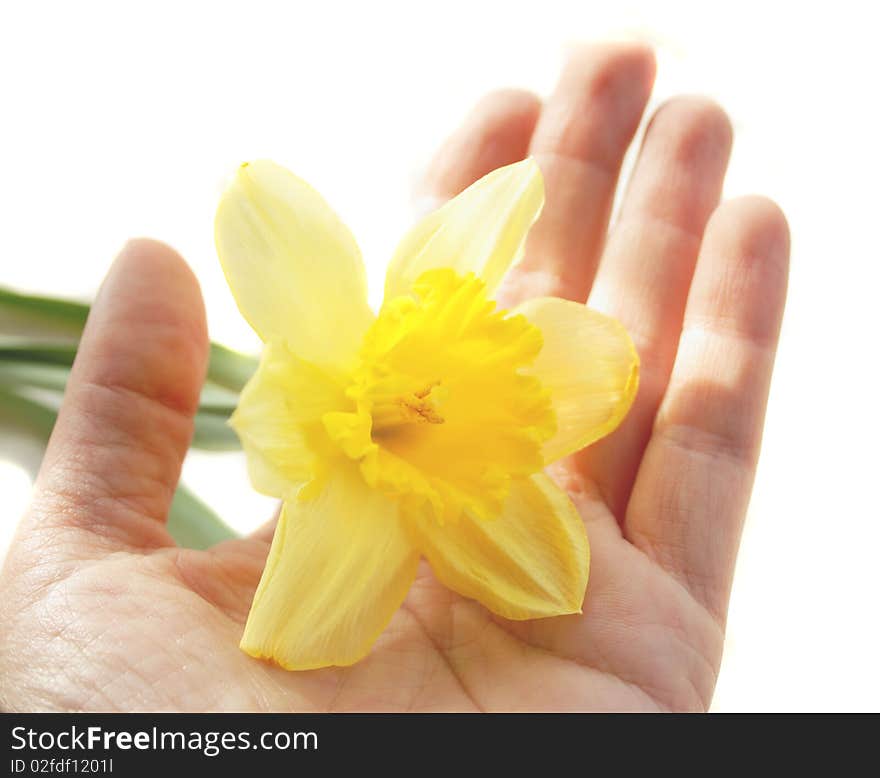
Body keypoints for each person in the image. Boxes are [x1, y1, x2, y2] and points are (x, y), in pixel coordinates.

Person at [0, 42, 788, 711]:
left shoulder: (493, 517)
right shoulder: (310, 422)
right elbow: (263, 246)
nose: (418, 402)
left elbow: (586, 421)